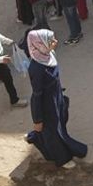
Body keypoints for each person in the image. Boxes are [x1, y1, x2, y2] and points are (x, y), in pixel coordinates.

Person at [23, 30, 87, 167]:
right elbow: (36, 96)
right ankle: (62, 158)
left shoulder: (48, 55)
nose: (55, 42)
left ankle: (35, 137)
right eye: (51, 41)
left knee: (60, 123)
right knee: (52, 131)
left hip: (56, 97)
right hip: (47, 105)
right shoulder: (36, 68)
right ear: (40, 44)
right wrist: (38, 119)